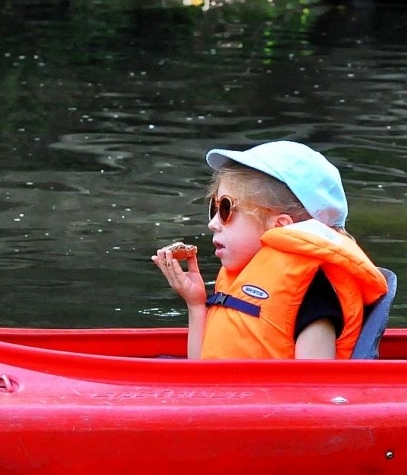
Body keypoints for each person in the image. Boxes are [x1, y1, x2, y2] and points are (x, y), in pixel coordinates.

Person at [153, 140, 387, 360]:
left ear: (280, 226)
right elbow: (199, 370)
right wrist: (196, 305)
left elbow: (314, 382)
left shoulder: (313, 294)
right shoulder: (241, 277)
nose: (213, 223)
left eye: (225, 209)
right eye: (213, 208)